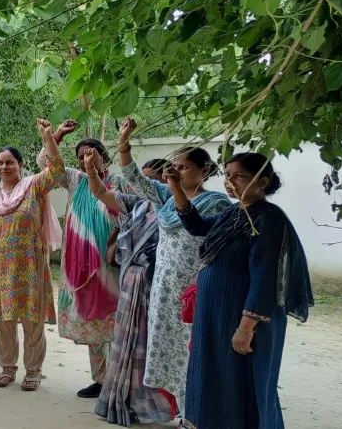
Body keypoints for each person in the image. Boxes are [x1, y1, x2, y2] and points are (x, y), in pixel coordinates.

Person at [176, 152, 311, 429]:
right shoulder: (235, 212)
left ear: (262, 182)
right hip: (215, 314)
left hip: (241, 317)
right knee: (213, 375)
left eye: (238, 176)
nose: (230, 182)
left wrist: (246, 328)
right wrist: (176, 188)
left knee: (240, 380)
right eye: (227, 175)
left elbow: (265, 276)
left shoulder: (268, 219)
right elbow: (197, 226)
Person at [113, 119, 230, 402]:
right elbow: (133, 177)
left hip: (192, 289)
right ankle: (179, 409)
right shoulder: (165, 196)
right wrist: (123, 141)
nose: (175, 173)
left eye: (184, 168)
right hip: (164, 287)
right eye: (174, 167)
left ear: (204, 172)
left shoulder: (217, 203)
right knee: (167, 349)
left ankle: (196, 409)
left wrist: (175, 188)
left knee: (192, 349)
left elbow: (194, 223)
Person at [82, 148, 175, 426]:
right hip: (131, 282)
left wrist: (123, 146)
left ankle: (155, 405)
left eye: (149, 180)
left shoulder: (171, 208)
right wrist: (91, 170)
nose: (141, 185)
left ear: (165, 181)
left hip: (156, 285)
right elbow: (100, 192)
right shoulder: (136, 204)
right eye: (140, 179)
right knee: (127, 343)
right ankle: (127, 400)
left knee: (149, 344)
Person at [43, 120, 134, 398]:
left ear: (104, 156)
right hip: (79, 265)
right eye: (81, 156)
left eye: (91, 154)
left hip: (110, 263)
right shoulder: (75, 180)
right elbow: (46, 164)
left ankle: (121, 381)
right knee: (93, 322)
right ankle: (101, 380)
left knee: (115, 321)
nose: (86, 160)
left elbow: (132, 215)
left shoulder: (118, 182)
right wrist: (55, 135)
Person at [0, 119, 65, 391]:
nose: (5, 167)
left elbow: (56, 171)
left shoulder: (33, 187)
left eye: (10, 162)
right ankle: (7, 367)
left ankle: (33, 371)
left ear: (20, 165)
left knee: (31, 319)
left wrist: (49, 137)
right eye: (0, 163)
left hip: (29, 267)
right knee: (2, 321)